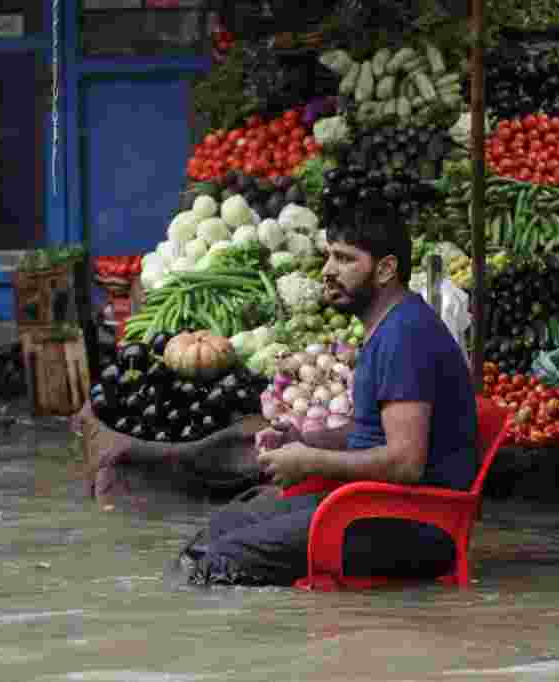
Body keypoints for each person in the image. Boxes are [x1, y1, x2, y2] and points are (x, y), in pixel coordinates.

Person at [180, 200, 479, 586]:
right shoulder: (389, 325)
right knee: (219, 531)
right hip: (375, 505)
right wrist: (302, 439)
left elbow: (406, 463)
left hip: (416, 522)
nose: (327, 271)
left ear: (386, 269)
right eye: (327, 257)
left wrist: (310, 461)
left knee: (223, 561)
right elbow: (371, 433)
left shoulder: (406, 335)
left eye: (344, 259)